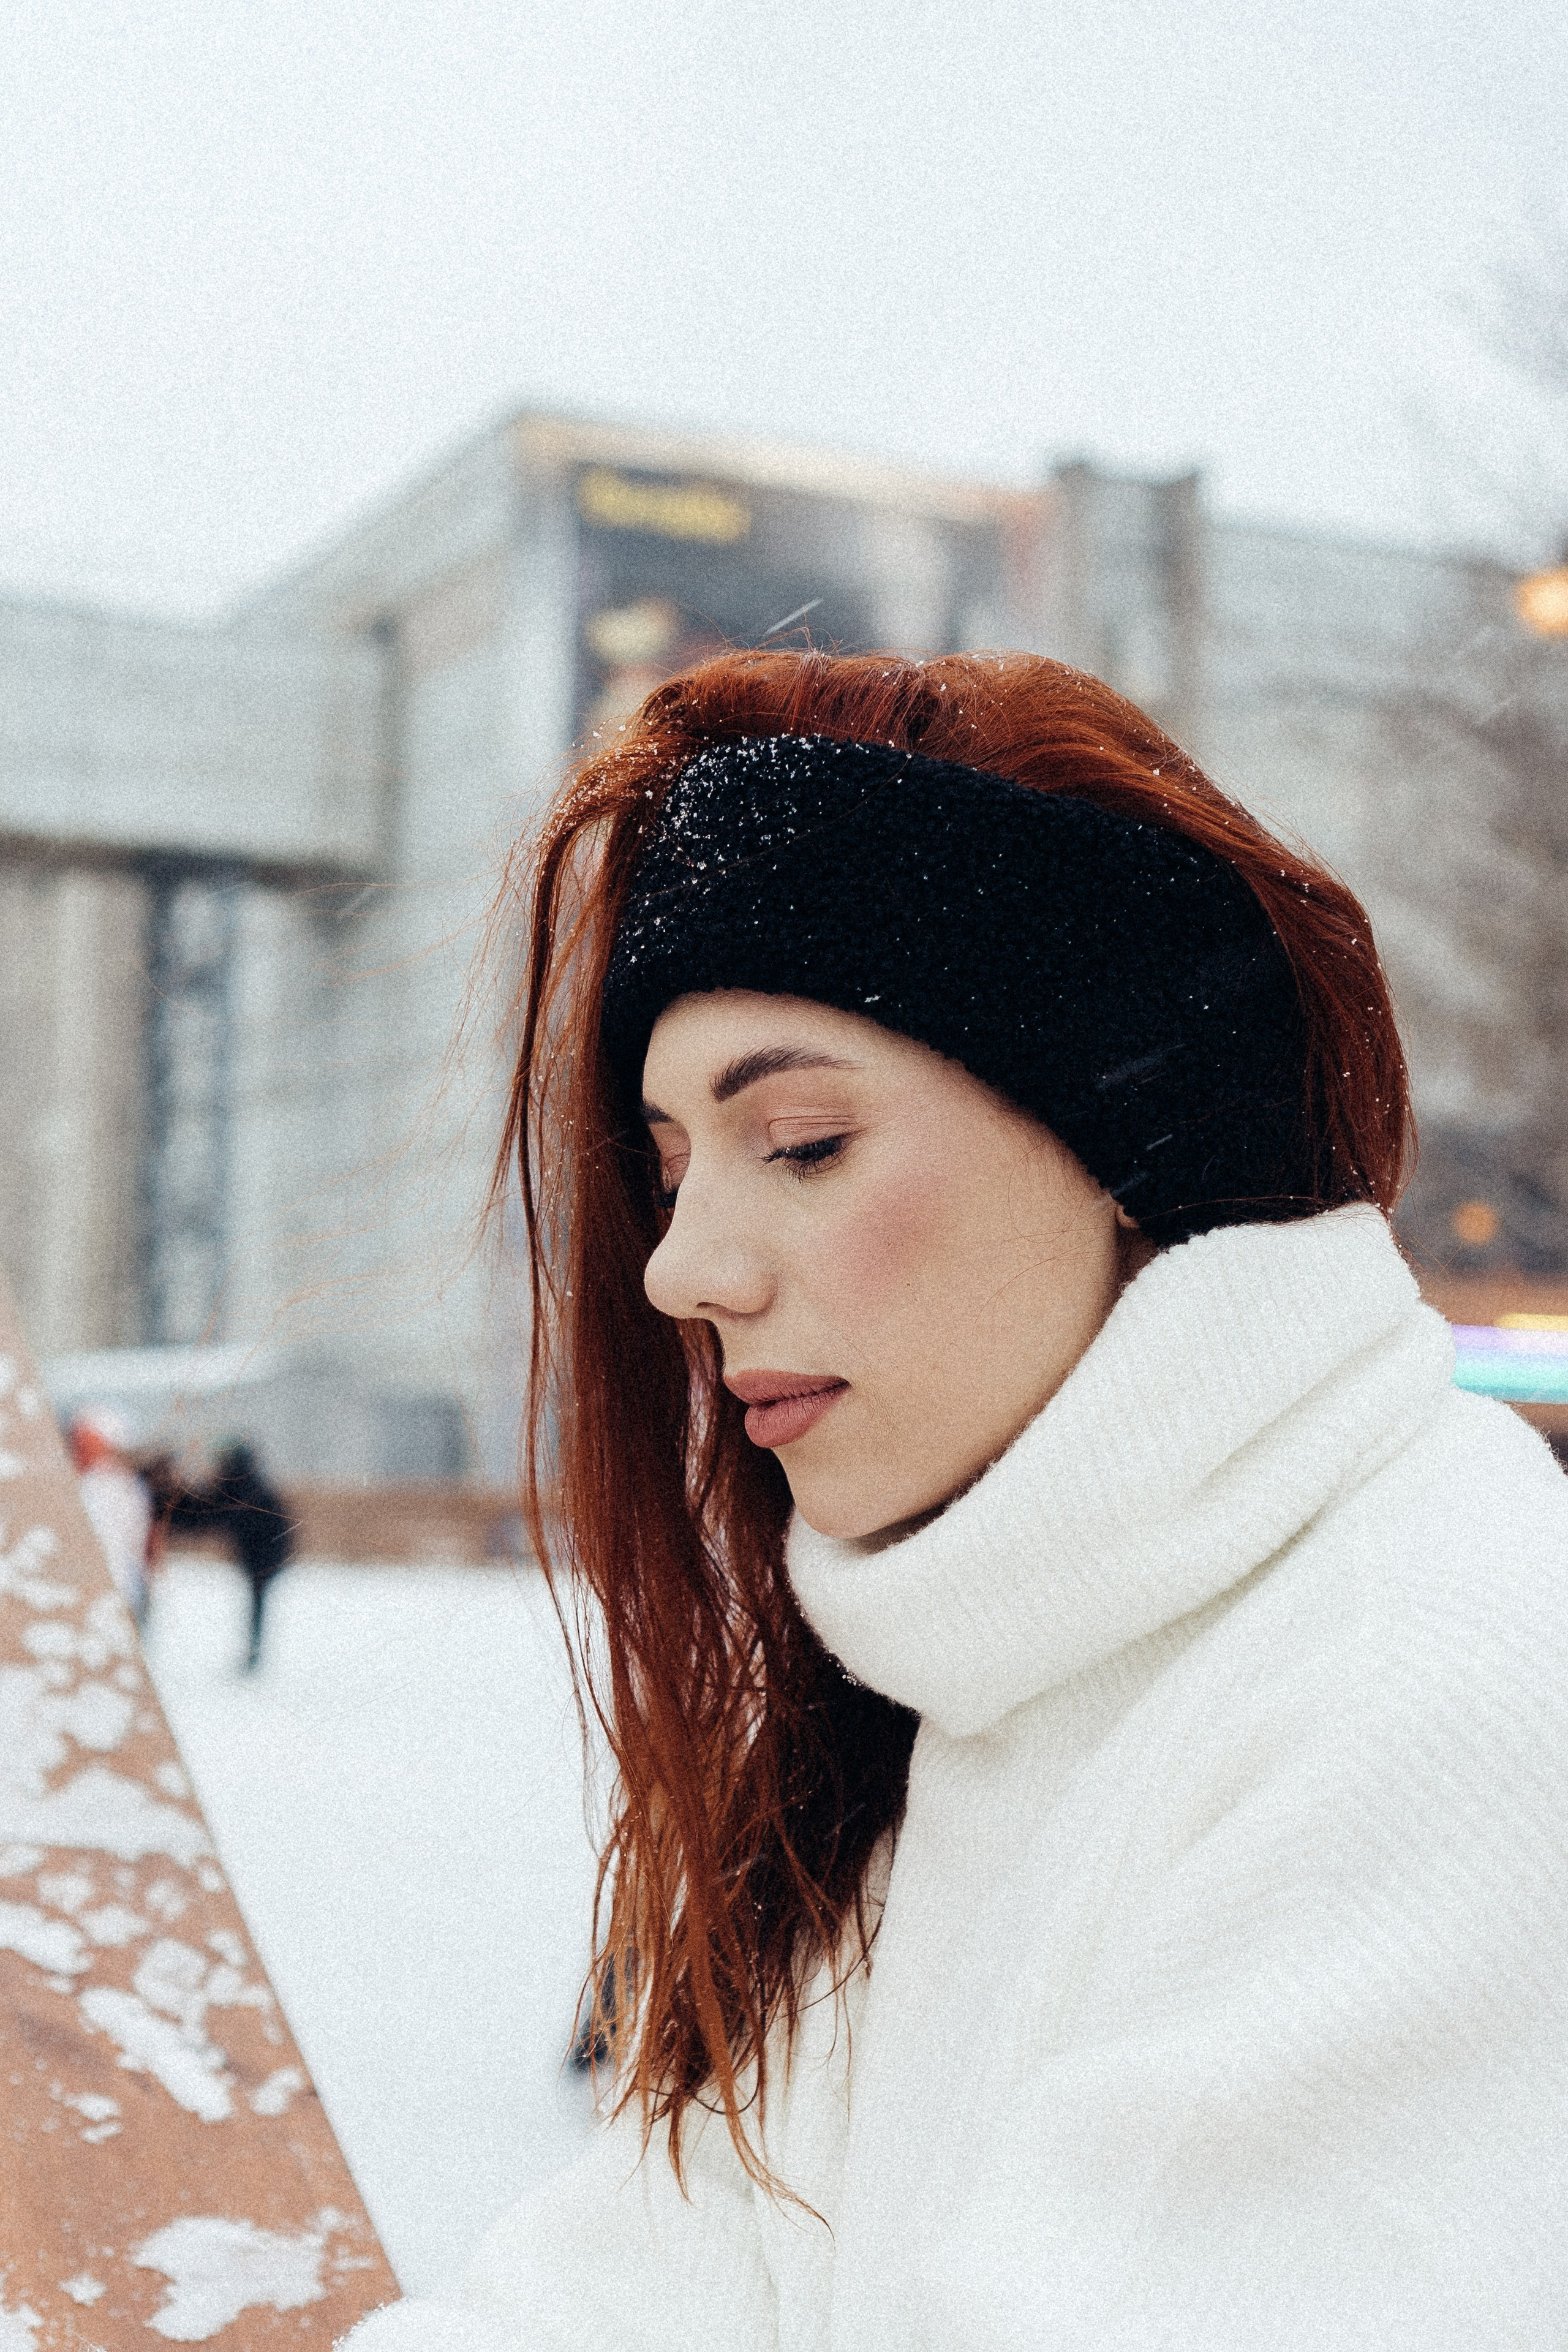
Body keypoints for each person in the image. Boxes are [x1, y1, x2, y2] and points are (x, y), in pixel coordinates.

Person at [347, 651, 1568, 2351]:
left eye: (804, 1143)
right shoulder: (986, 1674)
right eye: (673, 1166)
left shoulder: (1433, 1689)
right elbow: (637, 2301)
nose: (682, 1271)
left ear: (1129, 1146)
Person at [151, 1439, 295, 1672]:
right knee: (257, 1601)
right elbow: (207, 1510)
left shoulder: (240, 1486)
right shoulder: (246, 1482)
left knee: (257, 1600)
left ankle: (253, 1654)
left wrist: (166, 1504)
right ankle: (253, 1652)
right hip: (268, 1552)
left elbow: (206, 1514)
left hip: (264, 1553)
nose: (217, 1466)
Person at [69, 1407, 153, 1624]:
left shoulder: (118, 1485)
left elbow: (137, 1539)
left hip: (117, 1590)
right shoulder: (80, 1483)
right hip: (90, 1592)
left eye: (87, 1440)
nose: (79, 1446)